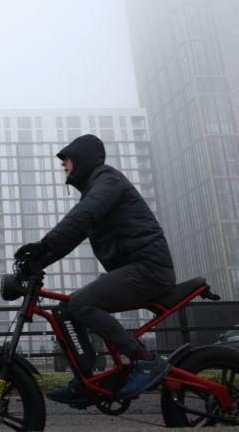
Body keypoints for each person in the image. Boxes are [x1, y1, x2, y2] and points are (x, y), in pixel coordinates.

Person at [14, 134, 176, 405]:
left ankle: (145, 361)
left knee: (81, 303)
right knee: (67, 309)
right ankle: (86, 382)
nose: (63, 165)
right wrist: (35, 263)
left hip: (148, 269)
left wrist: (44, 244)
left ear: (82, 159)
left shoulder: (107, 181)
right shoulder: (96, 191)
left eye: (66, 159)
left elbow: (82, 217)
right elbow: (72, 236)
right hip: (133, 270)